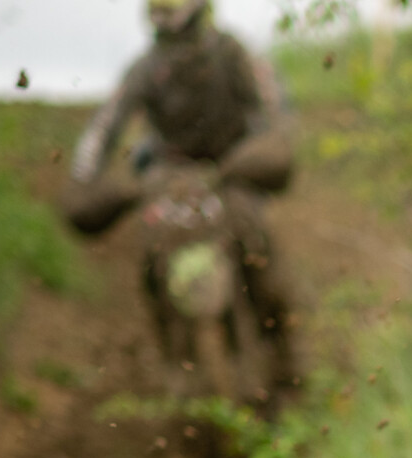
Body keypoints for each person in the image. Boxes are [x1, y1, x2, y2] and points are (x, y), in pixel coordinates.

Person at [60, 0, 298, 387]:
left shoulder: (231, 53)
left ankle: (286, 356)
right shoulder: (146, 67)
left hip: (231, 169)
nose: (164, 12)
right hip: (168, 176)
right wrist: (84, 176)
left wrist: (271, 143)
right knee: (153, 248)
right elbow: (105, 125)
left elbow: (274, 108)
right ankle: (171, 351)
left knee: (257, 246)